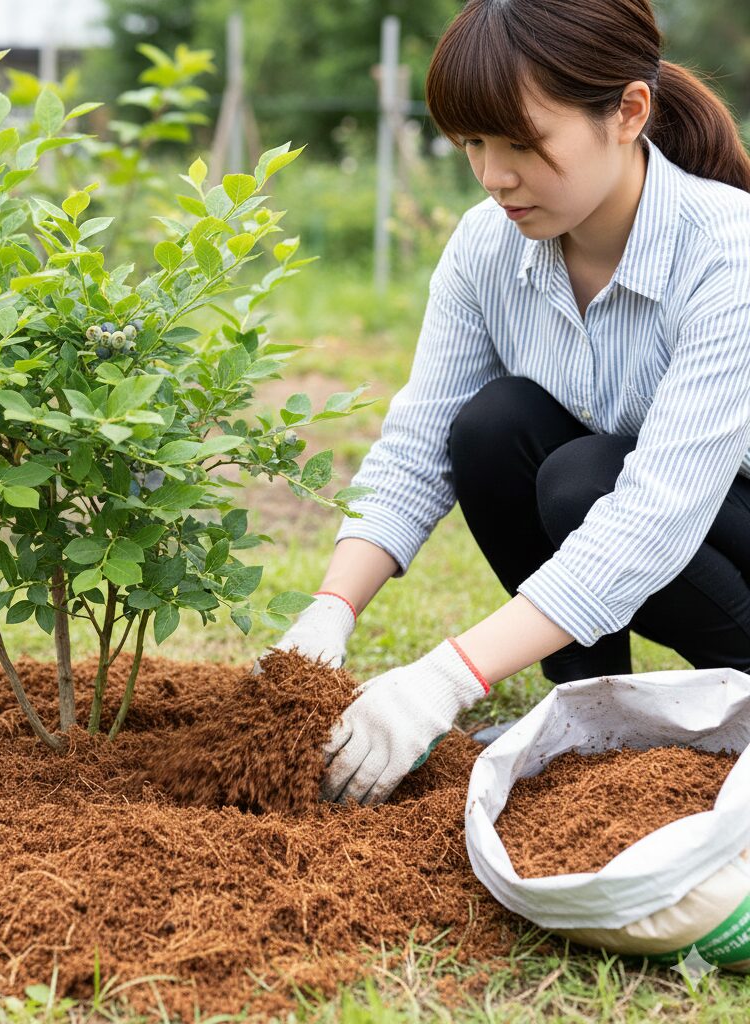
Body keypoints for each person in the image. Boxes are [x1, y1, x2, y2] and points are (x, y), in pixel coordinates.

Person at [258, 0, 750, 807]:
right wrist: (329, 612)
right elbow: (418, 442)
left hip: (712, 532)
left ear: (629, 112)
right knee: (494, 426)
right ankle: (582, 711)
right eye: (473, 144)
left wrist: (448, 676)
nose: (494, 176)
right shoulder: (487, 245)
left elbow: (655, 513)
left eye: (522, 143)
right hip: (658, 524)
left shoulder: (728, 252)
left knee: (585, 477)